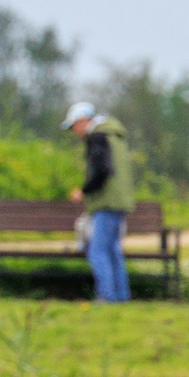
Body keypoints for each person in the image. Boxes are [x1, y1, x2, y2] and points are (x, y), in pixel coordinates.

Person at [65, 100, 134, 304]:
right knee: (113, 250)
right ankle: (121, 296)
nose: (74, 131)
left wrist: (84, 191)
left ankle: (106, 296)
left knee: (97, 250)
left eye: (74, 126)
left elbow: (101, 171)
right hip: (120, 200)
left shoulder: (97, 137)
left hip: (107, 201)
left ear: (83, 120)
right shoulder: (114, 135)